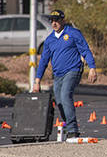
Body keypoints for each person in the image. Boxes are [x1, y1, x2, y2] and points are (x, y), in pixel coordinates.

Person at [31, 10, 96, 138]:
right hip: (58, 74)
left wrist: (92, 67)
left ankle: (72, 129)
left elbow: (85, 50)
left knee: (66, 95)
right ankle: (69, 125)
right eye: (52, 20)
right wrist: (37, 80)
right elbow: (44, 60)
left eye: (56, 20)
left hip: (73, 70)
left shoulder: (73, 33)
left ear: (63, 21)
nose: (54, 23)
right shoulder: (49, 40)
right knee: (59, 101)